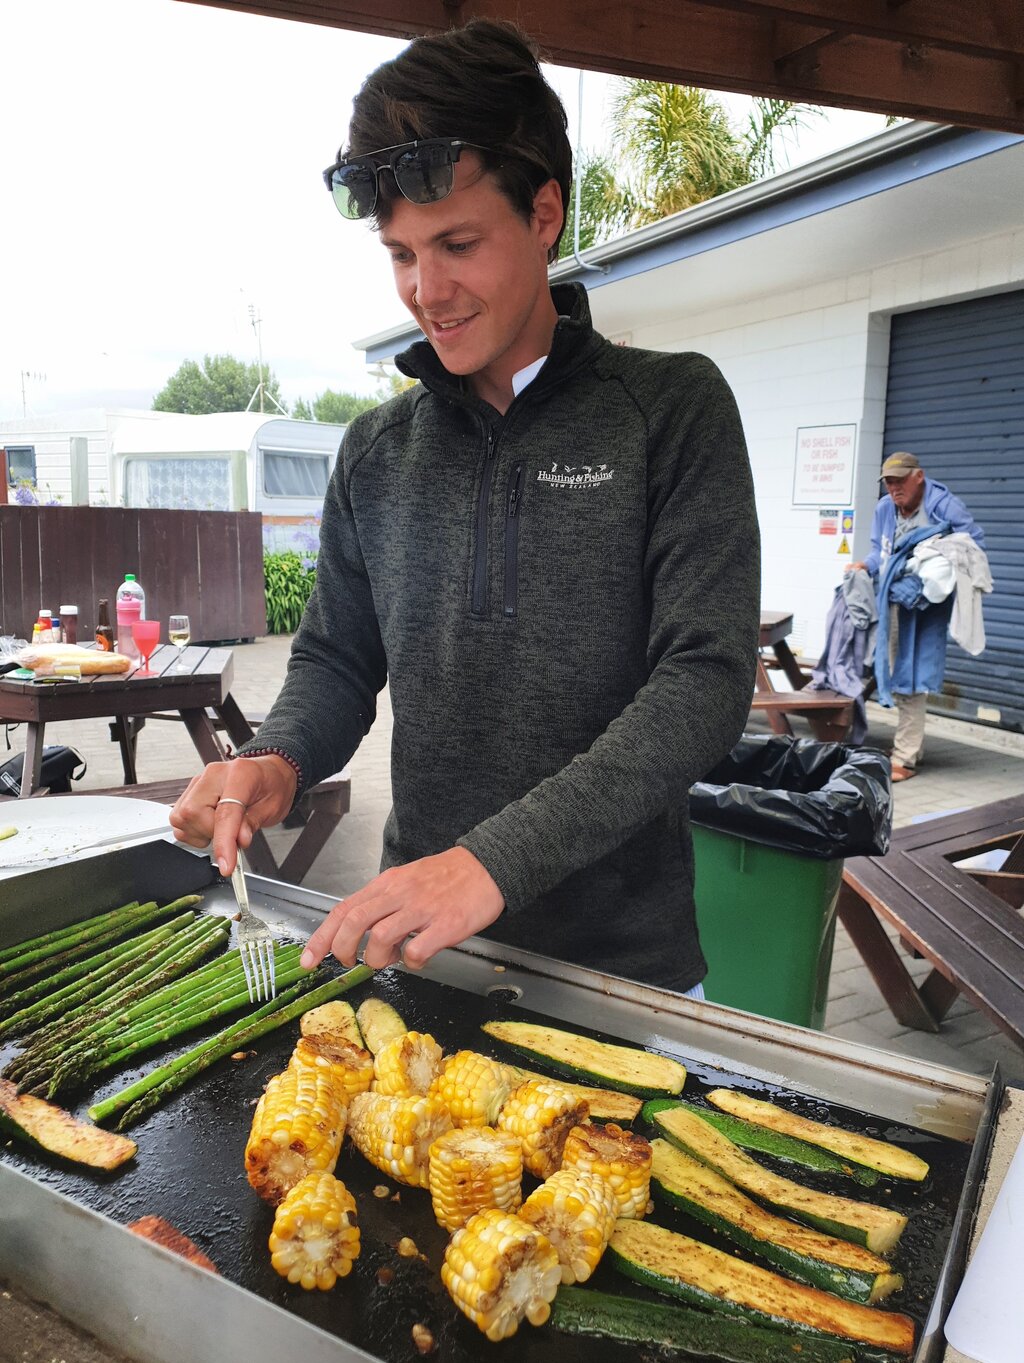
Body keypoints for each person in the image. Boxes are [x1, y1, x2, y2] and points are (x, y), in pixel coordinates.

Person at [169, 19, 760, 994]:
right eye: (399, 252)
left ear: (542, 215)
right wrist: (274, 760)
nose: (425, 290)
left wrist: (492, 863)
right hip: (422, 958)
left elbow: (703, 682)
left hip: (628, 972)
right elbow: (334, 659)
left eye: (455, 243)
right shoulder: (376, 451)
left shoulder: (670, 410)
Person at [849, 451, 986, 781]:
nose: (894, 489)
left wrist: (936, 559)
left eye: (899, 481)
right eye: (889, 483)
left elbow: (973, 543)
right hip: (892, 601)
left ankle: (906, 757)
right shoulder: (886, 509)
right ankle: (910, 747)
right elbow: (878, 552)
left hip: (926, 607)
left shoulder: (943, 504)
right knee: (896, 674)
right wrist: (864, 565)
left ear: (919, 476)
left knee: (911, 678)